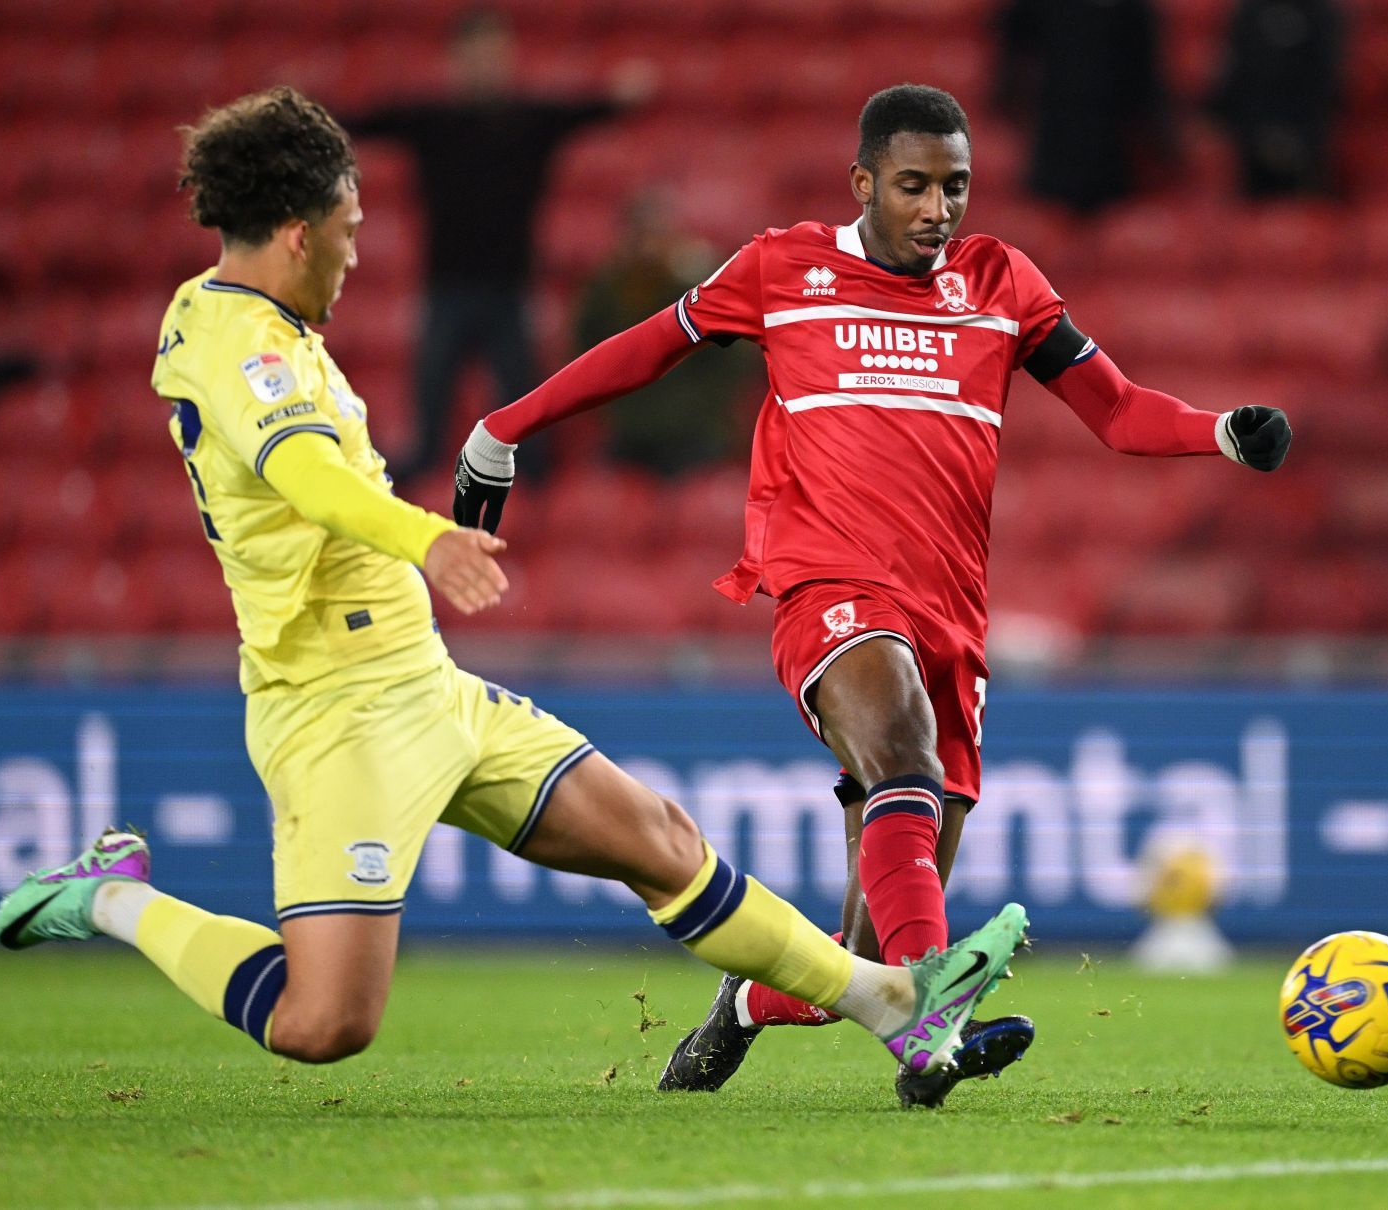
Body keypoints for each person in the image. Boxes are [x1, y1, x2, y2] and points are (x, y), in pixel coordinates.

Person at [0, 87, 1029, 1086]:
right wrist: (429, 541)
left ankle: (892, 1003)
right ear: (301, 231)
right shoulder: (245, 350)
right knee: (325, 1022)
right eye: (348, 227)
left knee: (661, 844)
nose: (358, 253)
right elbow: (302, 475)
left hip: (422, 682)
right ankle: (109, 899)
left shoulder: (241, 322)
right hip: (335, 709)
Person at [454, 84, 1293, 1107]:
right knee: (902, 753)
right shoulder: (780, 269)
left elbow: (1114, 411)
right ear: (863, 183)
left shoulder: (1002, 285)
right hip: (829, 587)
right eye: (914, 186)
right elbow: (648, 347)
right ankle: (932, 1021)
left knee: (857, 953)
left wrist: (1217, 431)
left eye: (957, 186)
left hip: (952, 615)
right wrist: (503, 427)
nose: (938, 208)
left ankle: (754, 1003)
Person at [343, 6, 649, 478]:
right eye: (476, 53)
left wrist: (623, 97)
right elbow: (367, 123)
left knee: (528, 428)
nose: (486, 63)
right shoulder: (433, 123)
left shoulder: (530, 121)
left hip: (509, 291)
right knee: (429, 428)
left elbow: (586, 110)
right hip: (446, 290)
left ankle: (536, 513)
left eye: (494, 53)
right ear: (457, 59)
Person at [574, 190, 755, 476]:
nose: (648, 249)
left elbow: (736, 358)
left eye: (656, 237)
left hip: (696, 433)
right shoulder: (611, 288)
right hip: (629, 432)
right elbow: (584, 347)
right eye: (639, 238)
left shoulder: (705, 285)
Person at [993, 0, 1174, 214]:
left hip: (1116, 156)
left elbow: (1147, 94)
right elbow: (1010, 78)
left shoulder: (1134, 11)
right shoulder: (1036, 9)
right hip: (1053, 148)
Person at [1210, 0, 1347, 198]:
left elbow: (1325, 83)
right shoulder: (1249, 12)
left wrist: (1297, 135)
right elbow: (1237, 75)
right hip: (1251, 138)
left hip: (1303, 137)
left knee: (1298, 211)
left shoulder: (1321, 13)